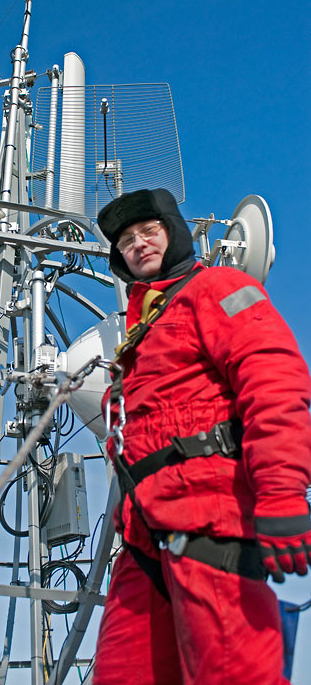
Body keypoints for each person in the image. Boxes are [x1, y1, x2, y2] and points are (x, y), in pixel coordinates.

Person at [92, 188, 311, 685]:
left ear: (173, 232)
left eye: (149, 231)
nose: (138, 244)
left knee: (233, 675)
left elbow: (274, 381)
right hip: (144, 542)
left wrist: (281, 493)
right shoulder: (140, 332)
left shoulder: (217, 287)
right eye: (126, 240)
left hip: (209, 523)